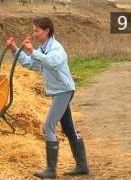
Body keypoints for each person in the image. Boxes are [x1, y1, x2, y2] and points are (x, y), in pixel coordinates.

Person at [6, 17, 89, 179]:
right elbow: (33, 64)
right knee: (69, 129)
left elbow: (53, 63)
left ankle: (51, 171)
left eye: (37, 30)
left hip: (63, 91)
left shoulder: (56, 48)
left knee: (48, 128)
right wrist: (15, 50)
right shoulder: (43, 48)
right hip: (59, 90)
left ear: (47, 31)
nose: (34, 33)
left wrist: (32, 51)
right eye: (34, 30)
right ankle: (82, 166)